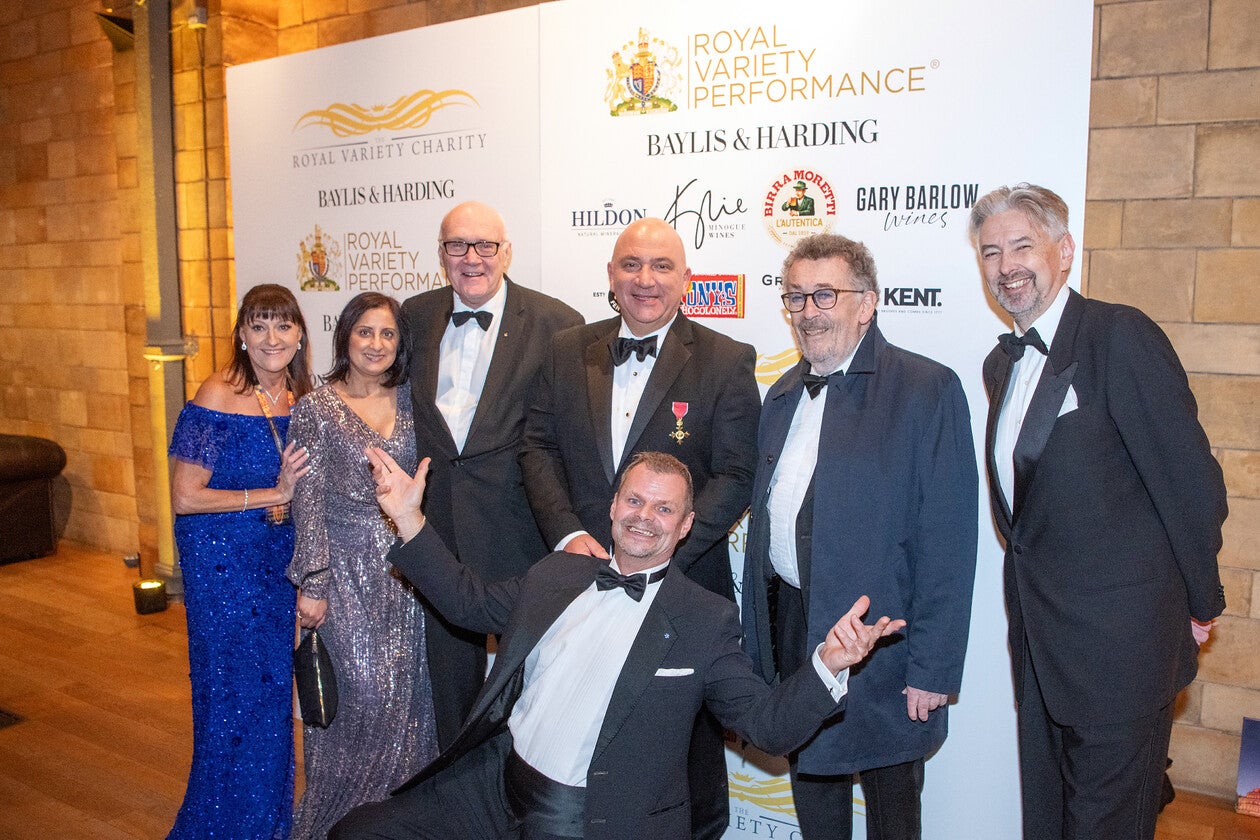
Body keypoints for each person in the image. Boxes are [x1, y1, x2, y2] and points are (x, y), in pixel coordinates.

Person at [331, 450, 906, 840]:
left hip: (585, 817)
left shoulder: (704, 620)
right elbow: (468, 603)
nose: (644, 518)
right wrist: (409, 518)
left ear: (685, 526)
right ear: (612, 507)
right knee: (360, 831)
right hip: (495, 781)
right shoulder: (558, 572)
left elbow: (766, 725)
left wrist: (828, 664)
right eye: (634, 501)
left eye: (664, 508)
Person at [969, 183, 1227, 840]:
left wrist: (1199, 604)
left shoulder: (1119, 336)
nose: (1006, 266)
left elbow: (1191, 483)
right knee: (1049, 822)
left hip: (1121, 650)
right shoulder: (1001, 365)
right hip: (1040, 646)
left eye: (1022, 246)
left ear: (1064, 250)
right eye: (991, 252)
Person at [520, 216, 759, 838]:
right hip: (582, 576)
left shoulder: (727, 359)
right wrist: (568, 535)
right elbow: (537, 446)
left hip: (681, 585)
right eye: (631, 265)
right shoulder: (566, 349)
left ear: (687, 279)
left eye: (661, 266)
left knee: (689, 755)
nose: (645, 279)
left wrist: (662, 550)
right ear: (610, 275)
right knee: (577, 729)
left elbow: (736, 474)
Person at [740, 234, 978, 840]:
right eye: (796, 297)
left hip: (885, 647)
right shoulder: (782, 394)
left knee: (893, 812)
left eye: (826, 294)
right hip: (798, 635)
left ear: (867, 303)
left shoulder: (927, 389)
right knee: (815, 801)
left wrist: (933, 668)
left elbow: (949, 545)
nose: (808, 311)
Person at [403, 201, 583, 749]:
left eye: (485, 245)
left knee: (525, 694)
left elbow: (566, 439)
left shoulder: (557, 323)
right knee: (449, 693)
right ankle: (455, 788)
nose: (472, 258)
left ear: (507, 252)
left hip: (518, 530)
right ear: (441, 255)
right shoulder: (413, 316)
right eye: (457, 245)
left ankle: (518, 790)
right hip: (437, 529)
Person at [287, 292, 439, 837]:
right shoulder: (315, 409)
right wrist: (313, 581)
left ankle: (398, 827)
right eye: (365, 332)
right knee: (360, 703)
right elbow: (306, 502)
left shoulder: (414, 398)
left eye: (388, 334)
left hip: (408, 574)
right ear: (345, 337)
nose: (376, 344)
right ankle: (336, 826)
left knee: (412, 704)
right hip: (345, 578)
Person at [167, 283, 313, 839]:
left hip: (276, 565)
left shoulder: (300, 399)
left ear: (299, 335)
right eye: (259, 325)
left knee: (271, 702)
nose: (272, 337)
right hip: (223, 569)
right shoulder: (218, 393)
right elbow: (185, 496)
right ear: (242, 336)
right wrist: (274, 494)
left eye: (283, 325)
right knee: (232, 698)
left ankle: (266, 825)